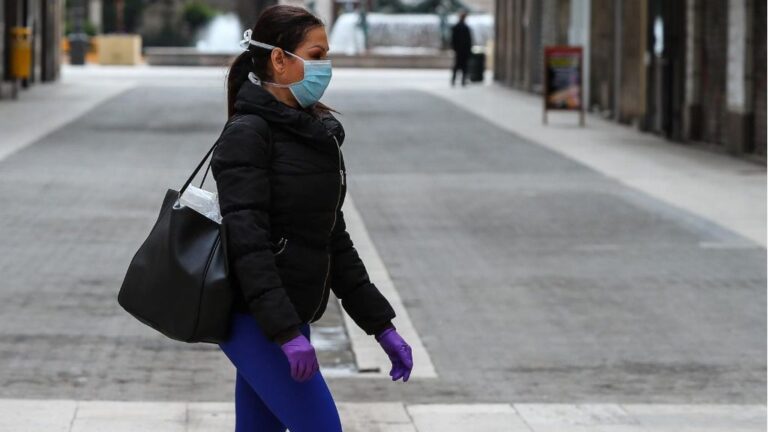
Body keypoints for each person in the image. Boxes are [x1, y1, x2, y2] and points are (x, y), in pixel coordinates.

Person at [210, 5, 414, 432]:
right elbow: (248, 245)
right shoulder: (248, 134)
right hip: (256, 321)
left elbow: (332, 238)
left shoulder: (310, 132)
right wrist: (285, 334)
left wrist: (381, 325)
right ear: (280, 59)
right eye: (317, 55)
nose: (326, 67)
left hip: (288, 314)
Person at [450, 10, 473, 87]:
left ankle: (454, 80)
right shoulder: (465, 27)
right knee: (463, 66)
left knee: (457, 65)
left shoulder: (456, 27)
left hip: (459, 50)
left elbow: (453, 39)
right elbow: (469, 40)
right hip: (463, 50)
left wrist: (454, 48)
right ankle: (462, 81)